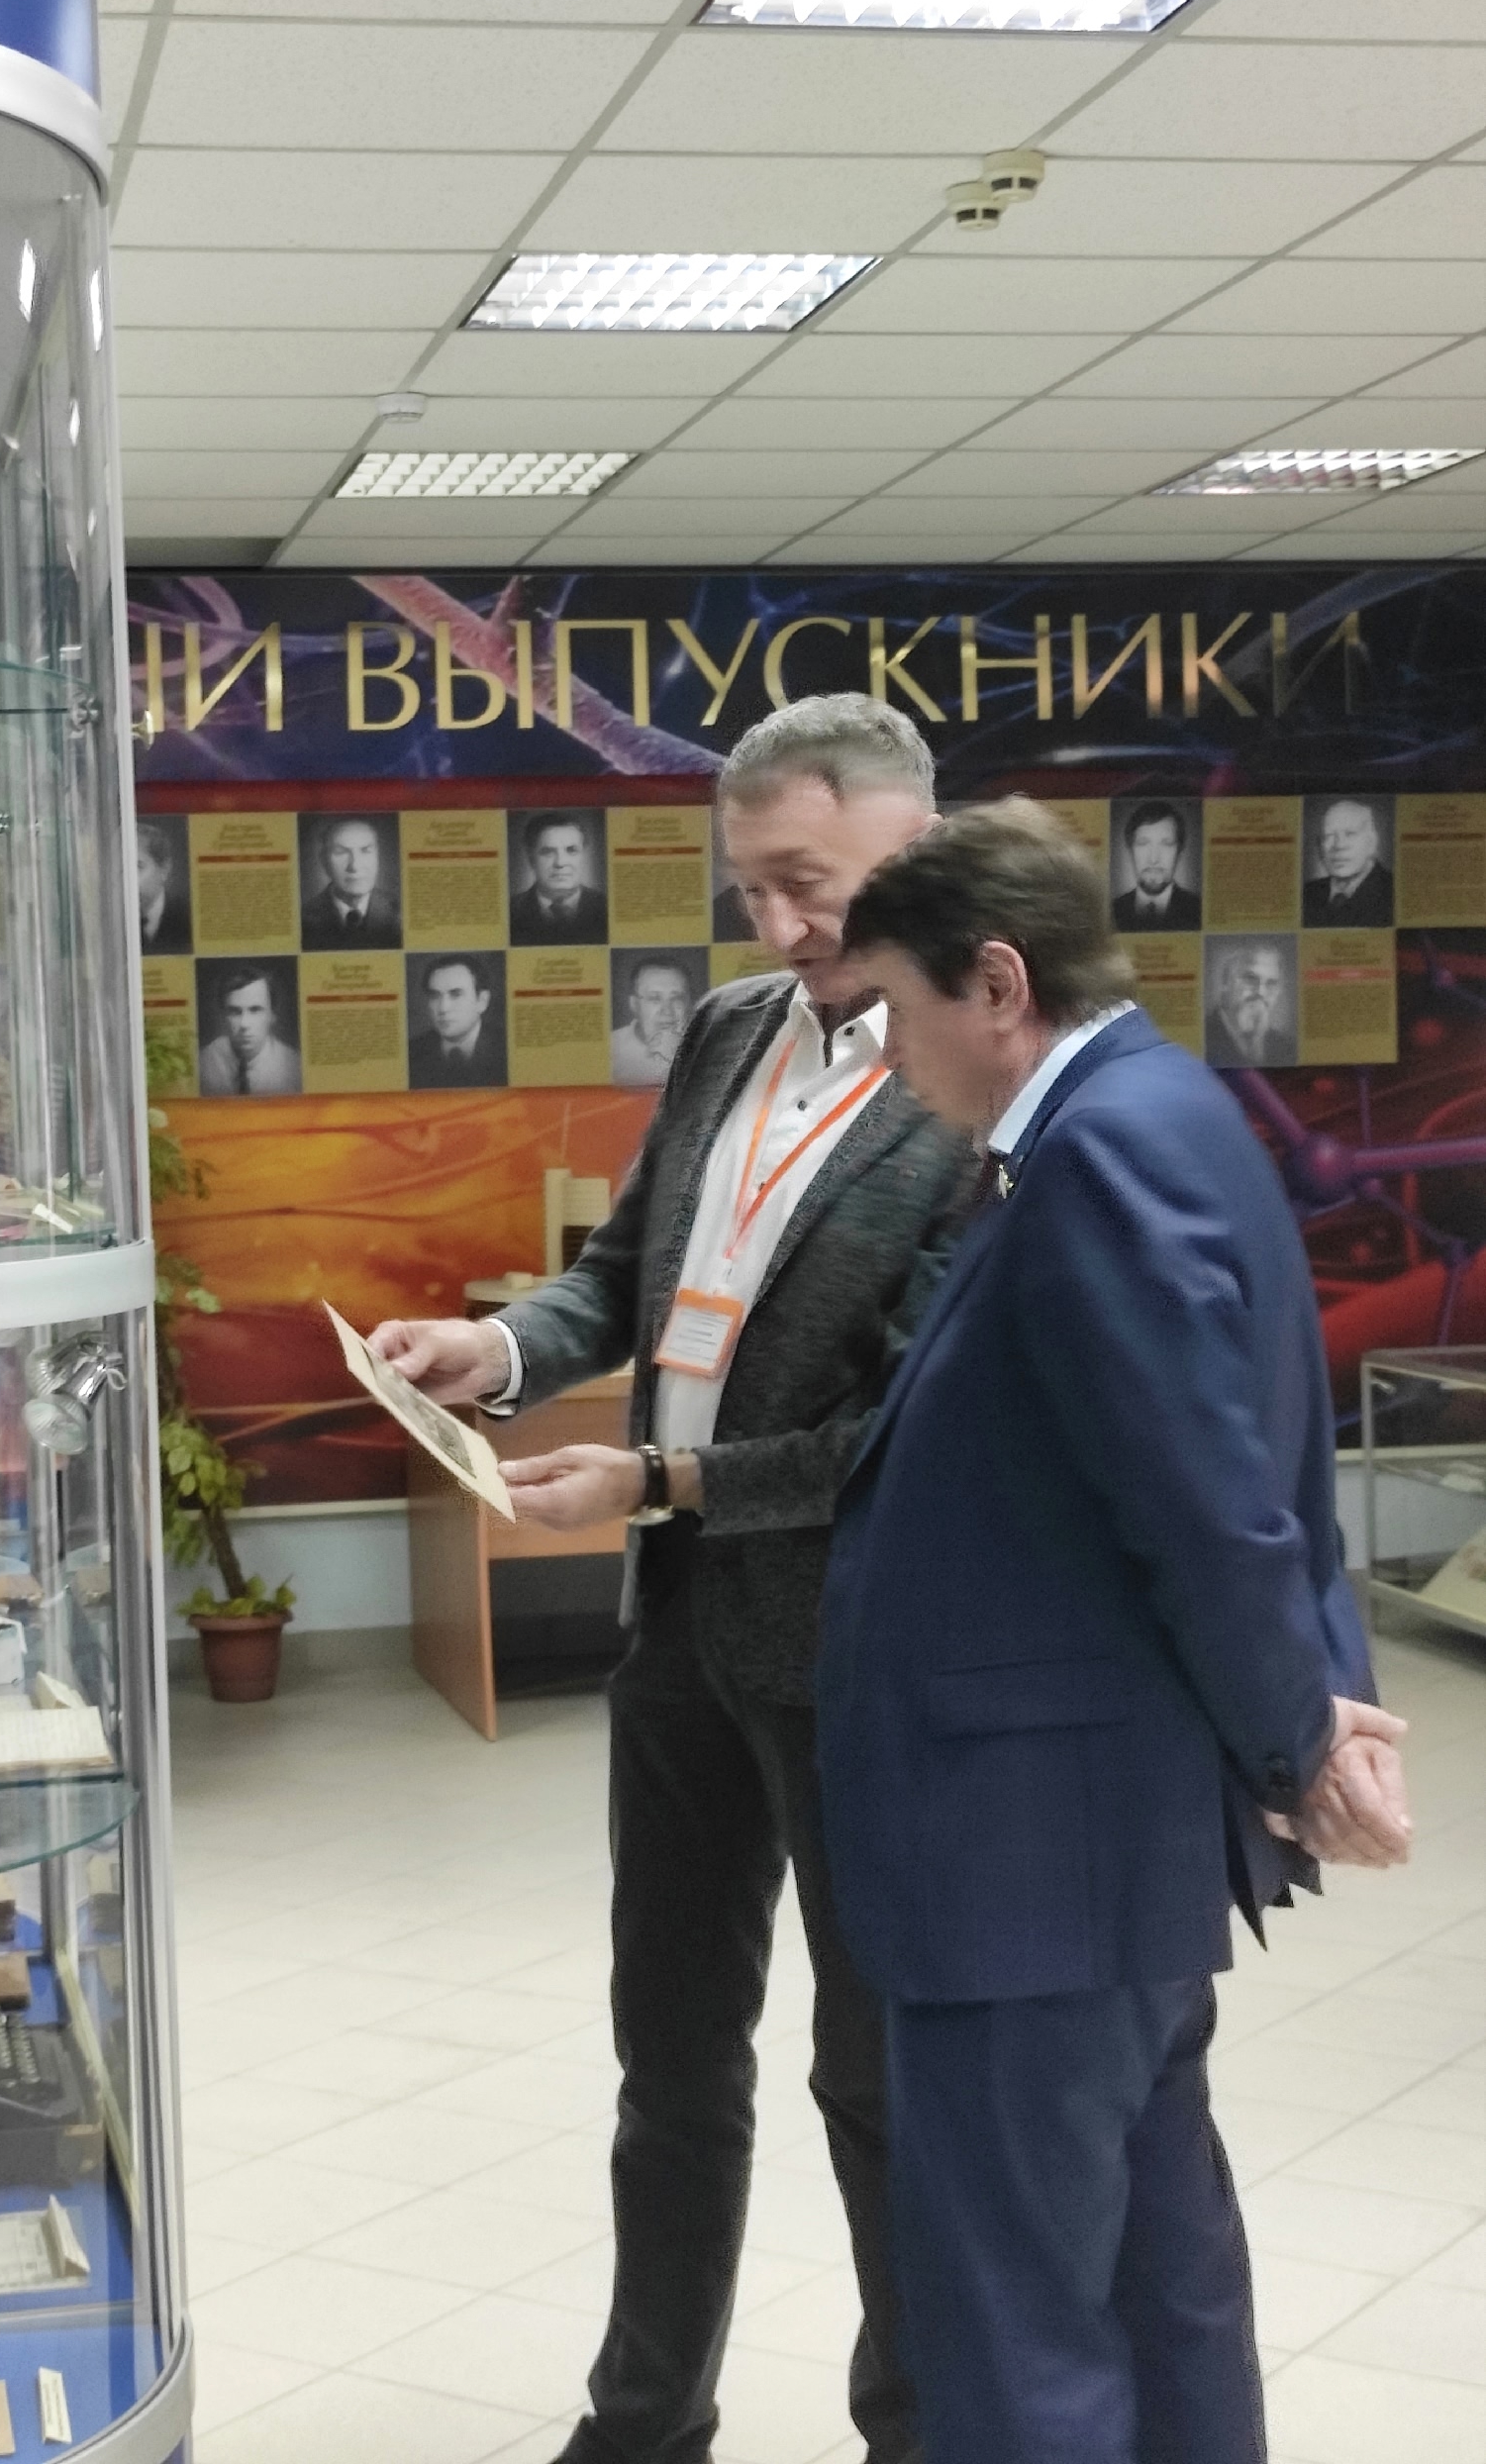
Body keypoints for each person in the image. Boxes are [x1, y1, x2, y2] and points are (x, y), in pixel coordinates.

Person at [370, 693, 973, 2464]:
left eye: (809, 884)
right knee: (669, 2057)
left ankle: (917, 2428)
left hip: (853, 1655)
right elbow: (627, 1273)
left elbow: (905, 1431)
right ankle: (641, 2423)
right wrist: (500, 1347)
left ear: (918, 848)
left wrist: (653, 1478)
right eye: (751, 888)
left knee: (875, 2081)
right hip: (683, 1631)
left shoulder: (978, 1080)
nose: (779, 925)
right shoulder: (729, 1033)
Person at [818, 799, 1413, 2464]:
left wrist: (1299, 1741)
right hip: (1097, 1848)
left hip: (1030, 1859)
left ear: (995, 984)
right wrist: (1310, 1709)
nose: (887, 1060)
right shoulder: (1167, 1111)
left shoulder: (1096, 1156)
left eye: (895, 1013)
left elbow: (1209, 1501)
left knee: (1016, 2321)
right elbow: (1251, 1468)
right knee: (1159, 2284)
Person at [199, 964, 300, 1095]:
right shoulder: (203, 1063)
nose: (244, 1024)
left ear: (272, 1015)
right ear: (223, 1016)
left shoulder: (295, 1068)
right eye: (234, 1012)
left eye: (255, 1010)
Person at [301, 814, 401, 947]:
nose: (354, 866)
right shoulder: (302, 918)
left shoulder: (400, 913)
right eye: (341, 852)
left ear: (378, 857)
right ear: (324, 861)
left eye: (366, 851)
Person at [408, 954, 505, 1088]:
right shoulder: (412, 1052)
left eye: (456, 994)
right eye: (435, 996)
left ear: (482, 1001)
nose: (443, 1008)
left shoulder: (506, 1048)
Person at [510, 811, 608, 944]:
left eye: (571, 850)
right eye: (548, 852)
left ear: (584, 855)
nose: (560, 863)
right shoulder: (510, 912)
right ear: (531, 858)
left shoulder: (607, 907)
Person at [1304, 797, 1394, 927]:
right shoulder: (1306, 893)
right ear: (1320, 846)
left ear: (1371, 843)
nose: (1339, 845)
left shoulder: (1394, 892)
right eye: (1329, 835)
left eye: (1350, 834)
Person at [1111, 803, 1202, 931]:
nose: (1153, 859)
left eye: (1166, 844)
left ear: (1179, 851)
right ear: (1130, 849)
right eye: (1143, 843)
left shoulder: (1200, 910)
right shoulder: (1110, 912)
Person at [1207, 938, 1296, 1067]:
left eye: (1271, 983)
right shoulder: (1201, 1038)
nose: (1261, 992)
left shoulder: (1287, 1047)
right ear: (1225, 981)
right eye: (1250, 978)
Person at [610, 956, 694, 1086]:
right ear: (634, 1004)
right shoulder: (609, 1049)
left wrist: (682, 1058)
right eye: (655, 998)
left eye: (676, 998)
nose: (667, 1011)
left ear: (689, 1003)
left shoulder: (709, 1047)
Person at [135, 819, 190, 953]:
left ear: (164, 870)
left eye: (138, 867)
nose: (126, 879)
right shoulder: (104, 921)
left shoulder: (188, 917)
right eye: (118, 868)